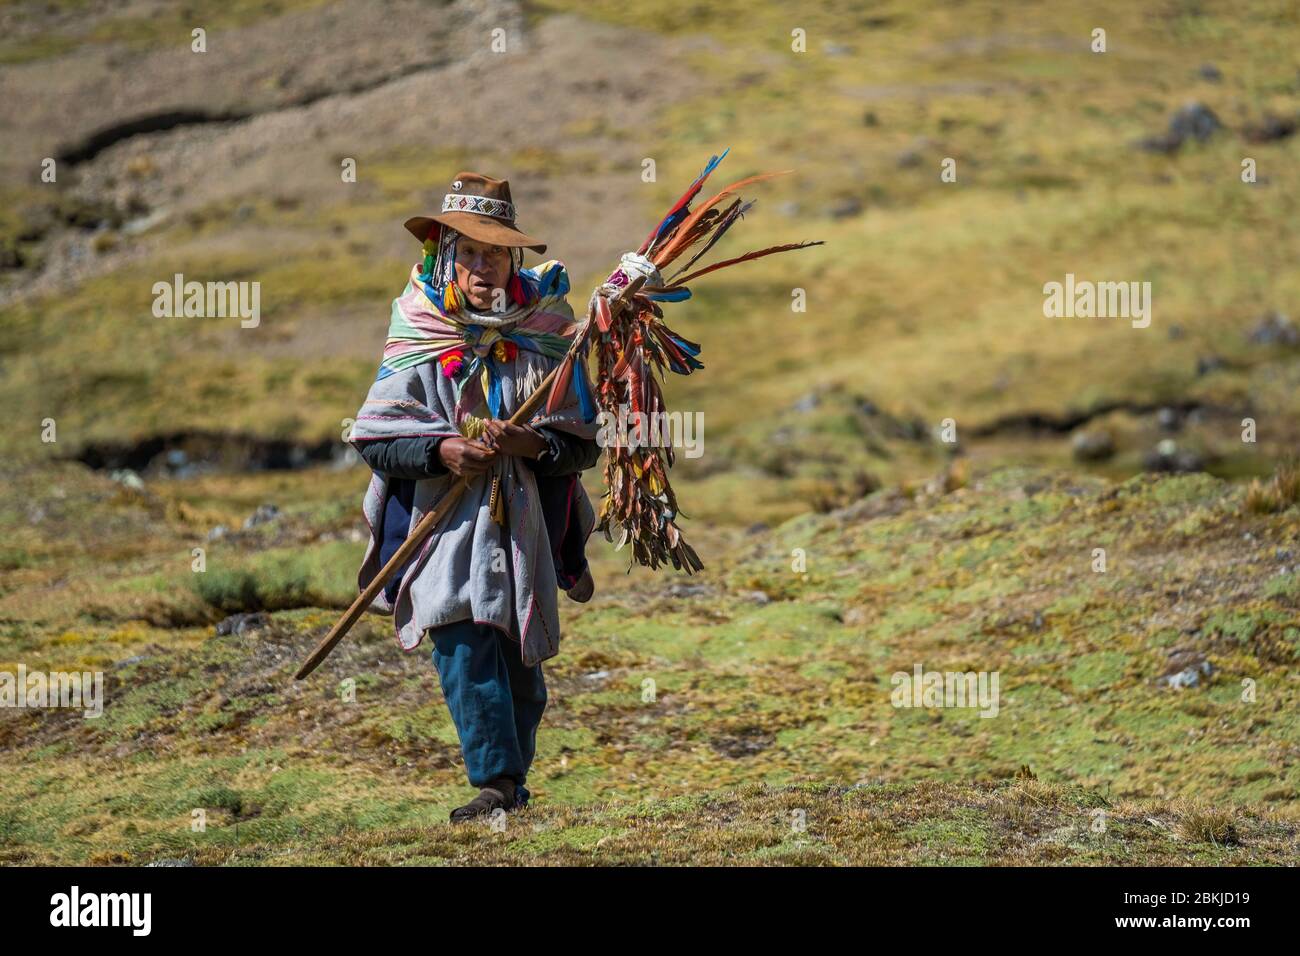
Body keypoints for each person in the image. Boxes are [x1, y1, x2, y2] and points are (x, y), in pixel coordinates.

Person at [348, 172, 599, 821]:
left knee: (520, 661)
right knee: (461, 641)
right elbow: (375, 437)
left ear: (514, 257)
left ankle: (512, 784)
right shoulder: (419, 329)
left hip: (523, 527)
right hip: (444, 526)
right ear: (445, 256)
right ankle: (492, 783)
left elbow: (580, 444)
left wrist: (528, 446)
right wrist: (442, 451)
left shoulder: (546, 332)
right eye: (469, 253)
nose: (482, 267)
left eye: (494, 252)